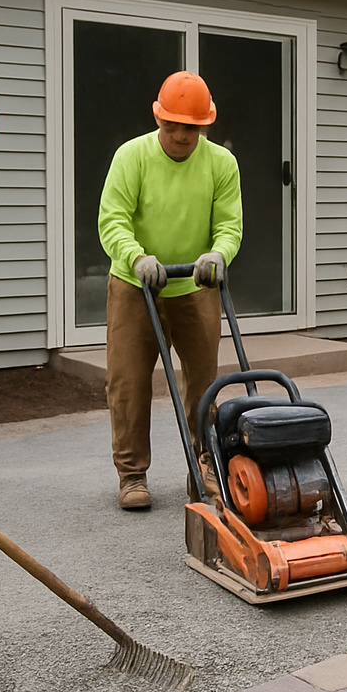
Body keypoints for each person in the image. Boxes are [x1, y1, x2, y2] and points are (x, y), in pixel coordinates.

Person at [98, 71, 243, 511]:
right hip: (134, 282)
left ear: (205, 126)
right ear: (158, 119)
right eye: (173, 125)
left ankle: (203, 465)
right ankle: (132, 474)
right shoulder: (131, 156)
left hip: (195, 283)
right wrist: (136, 257)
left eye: (191, 127)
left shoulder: (221, 164)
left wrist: (219, 255)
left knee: (204, 382)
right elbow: (112, 219)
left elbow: (229, 225)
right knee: (129, 382)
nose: (181, 135)